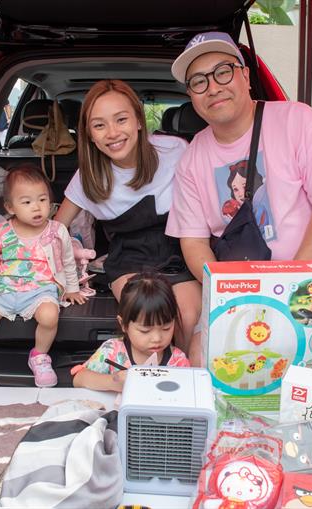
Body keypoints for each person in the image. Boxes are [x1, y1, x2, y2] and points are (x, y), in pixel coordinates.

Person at [165, 32, 312, 281]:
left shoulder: (297, 120)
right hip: (243, 297)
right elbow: (194, 242)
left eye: (223, 72)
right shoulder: (191, 159)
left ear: (245, 76)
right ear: (191, 95)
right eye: (199, 81)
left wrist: (291, 281)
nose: (213, 88)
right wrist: (228, 291)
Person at [54, 79, 203, 365]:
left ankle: (182, 380)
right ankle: (146, 381)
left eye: (121, 119)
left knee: (185, 317)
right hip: (129, 258)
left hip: (180, 250)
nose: (112, 133)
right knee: (148, 313)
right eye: (99, 125)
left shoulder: (175, 150)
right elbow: (56, 229)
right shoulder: (88, 177)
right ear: (90, 135)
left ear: (138, 120)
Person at [0, 164, 86, 388]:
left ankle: (39, 356)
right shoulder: (1, 232)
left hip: (41, 288)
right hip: (3, 289)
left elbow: (68, 260)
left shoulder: (56, 230)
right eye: (27, 202)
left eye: (42, 199)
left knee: (50, 316)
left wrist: (72, 288)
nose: (37, 208)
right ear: (10, 207)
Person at [70, 273, 191, 392]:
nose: (156, 338)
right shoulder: (112, 351)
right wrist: (113, 381)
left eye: (166, 328)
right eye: (145, 331)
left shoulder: (178, 361)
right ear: (124, 325)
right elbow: (79, 379)